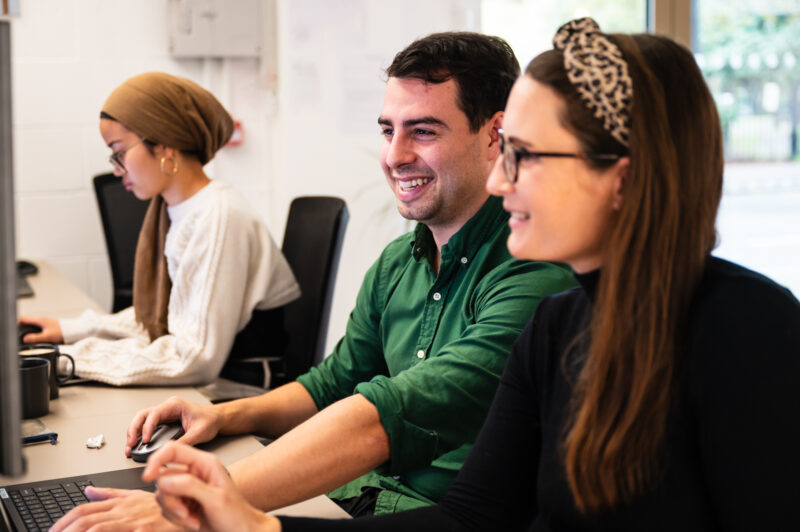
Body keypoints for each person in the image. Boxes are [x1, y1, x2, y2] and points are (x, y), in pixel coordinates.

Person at [83, 18, 800, 532]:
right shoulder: (561, 326)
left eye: (524, 155)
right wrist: (253, 525)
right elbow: (472, 515)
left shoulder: (750, 330)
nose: (502, 181)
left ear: (622, 176)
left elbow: (393, 419)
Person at [49, 31, 577, 531]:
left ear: (495, 135)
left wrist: (197, 502)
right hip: (353, 496)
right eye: (387, 131)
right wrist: (221, 416)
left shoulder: (532, 274)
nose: (394, 156)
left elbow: (387, 417)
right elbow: (332, 385)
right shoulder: (398, 263)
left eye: (423, 131)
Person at [19, 72, 301, 386]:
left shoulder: (219, 217)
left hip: (239, 390)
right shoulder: (179, 211)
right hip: (210, 385)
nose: (117, 170)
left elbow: (194, 359)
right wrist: (72, 331)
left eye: (119, 152)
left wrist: (66, 359)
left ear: (165, 144)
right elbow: (164, 315)